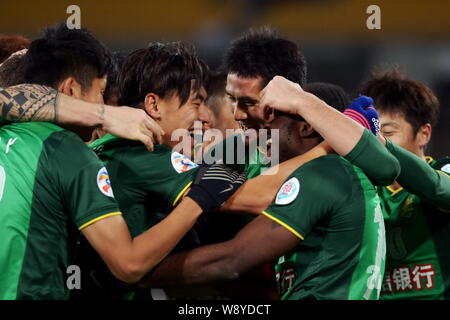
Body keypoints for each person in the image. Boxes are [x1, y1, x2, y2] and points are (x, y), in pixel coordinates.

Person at [0, 23, 245, 300]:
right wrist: (199, 199)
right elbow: (128, 266)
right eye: (101, 92)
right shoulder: (69, 151)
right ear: (70, 90)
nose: (104, 102)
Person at [139, 75, 393, 300]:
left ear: (306, 126)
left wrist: (137, 273)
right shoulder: (340, 171)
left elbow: (229, 260)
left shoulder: (325, 173)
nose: (265, 128)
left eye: (273, 117)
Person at [358, 69, 450, 299]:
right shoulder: (361, 186)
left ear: (424, 134)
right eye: (369, 133)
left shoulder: (444, 171)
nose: (375, 142)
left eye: (387, 132)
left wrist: (377, 142)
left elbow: (437, 187)